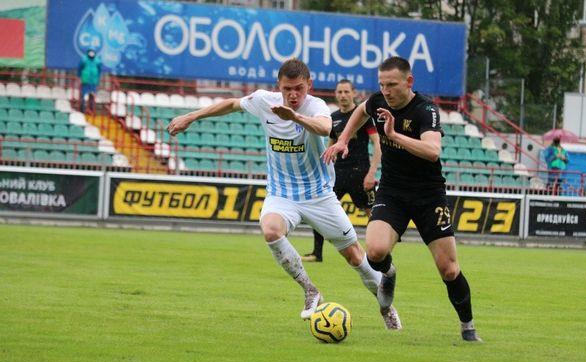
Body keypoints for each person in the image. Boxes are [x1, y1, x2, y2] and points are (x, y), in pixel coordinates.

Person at [167, 59, 401, 329]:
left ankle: (386, 307)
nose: (293, 95)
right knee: (270, 230)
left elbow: (325, 128)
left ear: (309, 85)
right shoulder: (263, 101)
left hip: (319, 195)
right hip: (282, 194)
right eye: (287, 89)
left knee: (355, 257)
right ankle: (310, 290)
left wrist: (295, 117)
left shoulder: (316, 106)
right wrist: (191, 116)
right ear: (278, 86)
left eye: (299, 88)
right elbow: (231, 104)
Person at [323, 56, 482, 342]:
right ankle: (389, 272)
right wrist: (343, 139)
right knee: (375, 252)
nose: (386, 91)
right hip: (392, 191)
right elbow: (360, 111)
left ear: (409, 82)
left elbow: (432, 151)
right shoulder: (377, 101)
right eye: (382, 85)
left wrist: (394, 135)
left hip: (428, 195)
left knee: (448, 269)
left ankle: (467, 326)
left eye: (392, 85)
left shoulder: (426, 110)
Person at [301, 79, 381, 263]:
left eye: (346, 92)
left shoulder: (362, 115)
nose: (343, 95)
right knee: (320, 209)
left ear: (354, 93)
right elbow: (331, 146)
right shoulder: (334, 117)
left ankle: (378, 254)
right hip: (337, 174)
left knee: (373, 213)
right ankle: (317, 253)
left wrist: (372, 173)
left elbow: (377, 144)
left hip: (360, 173)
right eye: (340, 92)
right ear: (335, 95)